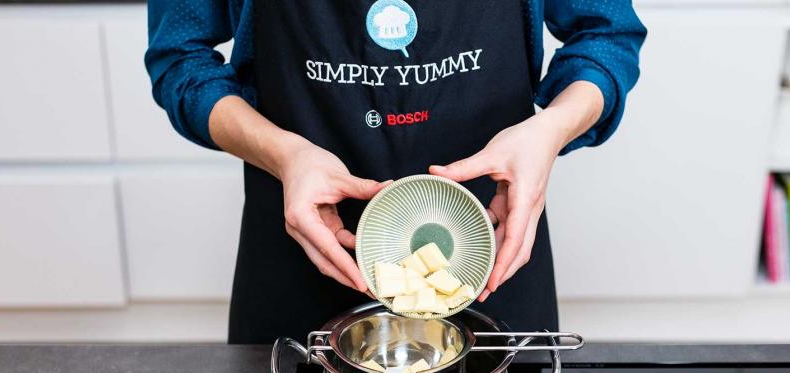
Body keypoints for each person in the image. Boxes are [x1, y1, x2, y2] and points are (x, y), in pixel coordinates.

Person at [146, 0, 646, 343]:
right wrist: (284, 154)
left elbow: (605, 36)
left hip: (494, 250)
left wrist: (550, 131)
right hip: (300, 257)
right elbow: (182, 59)